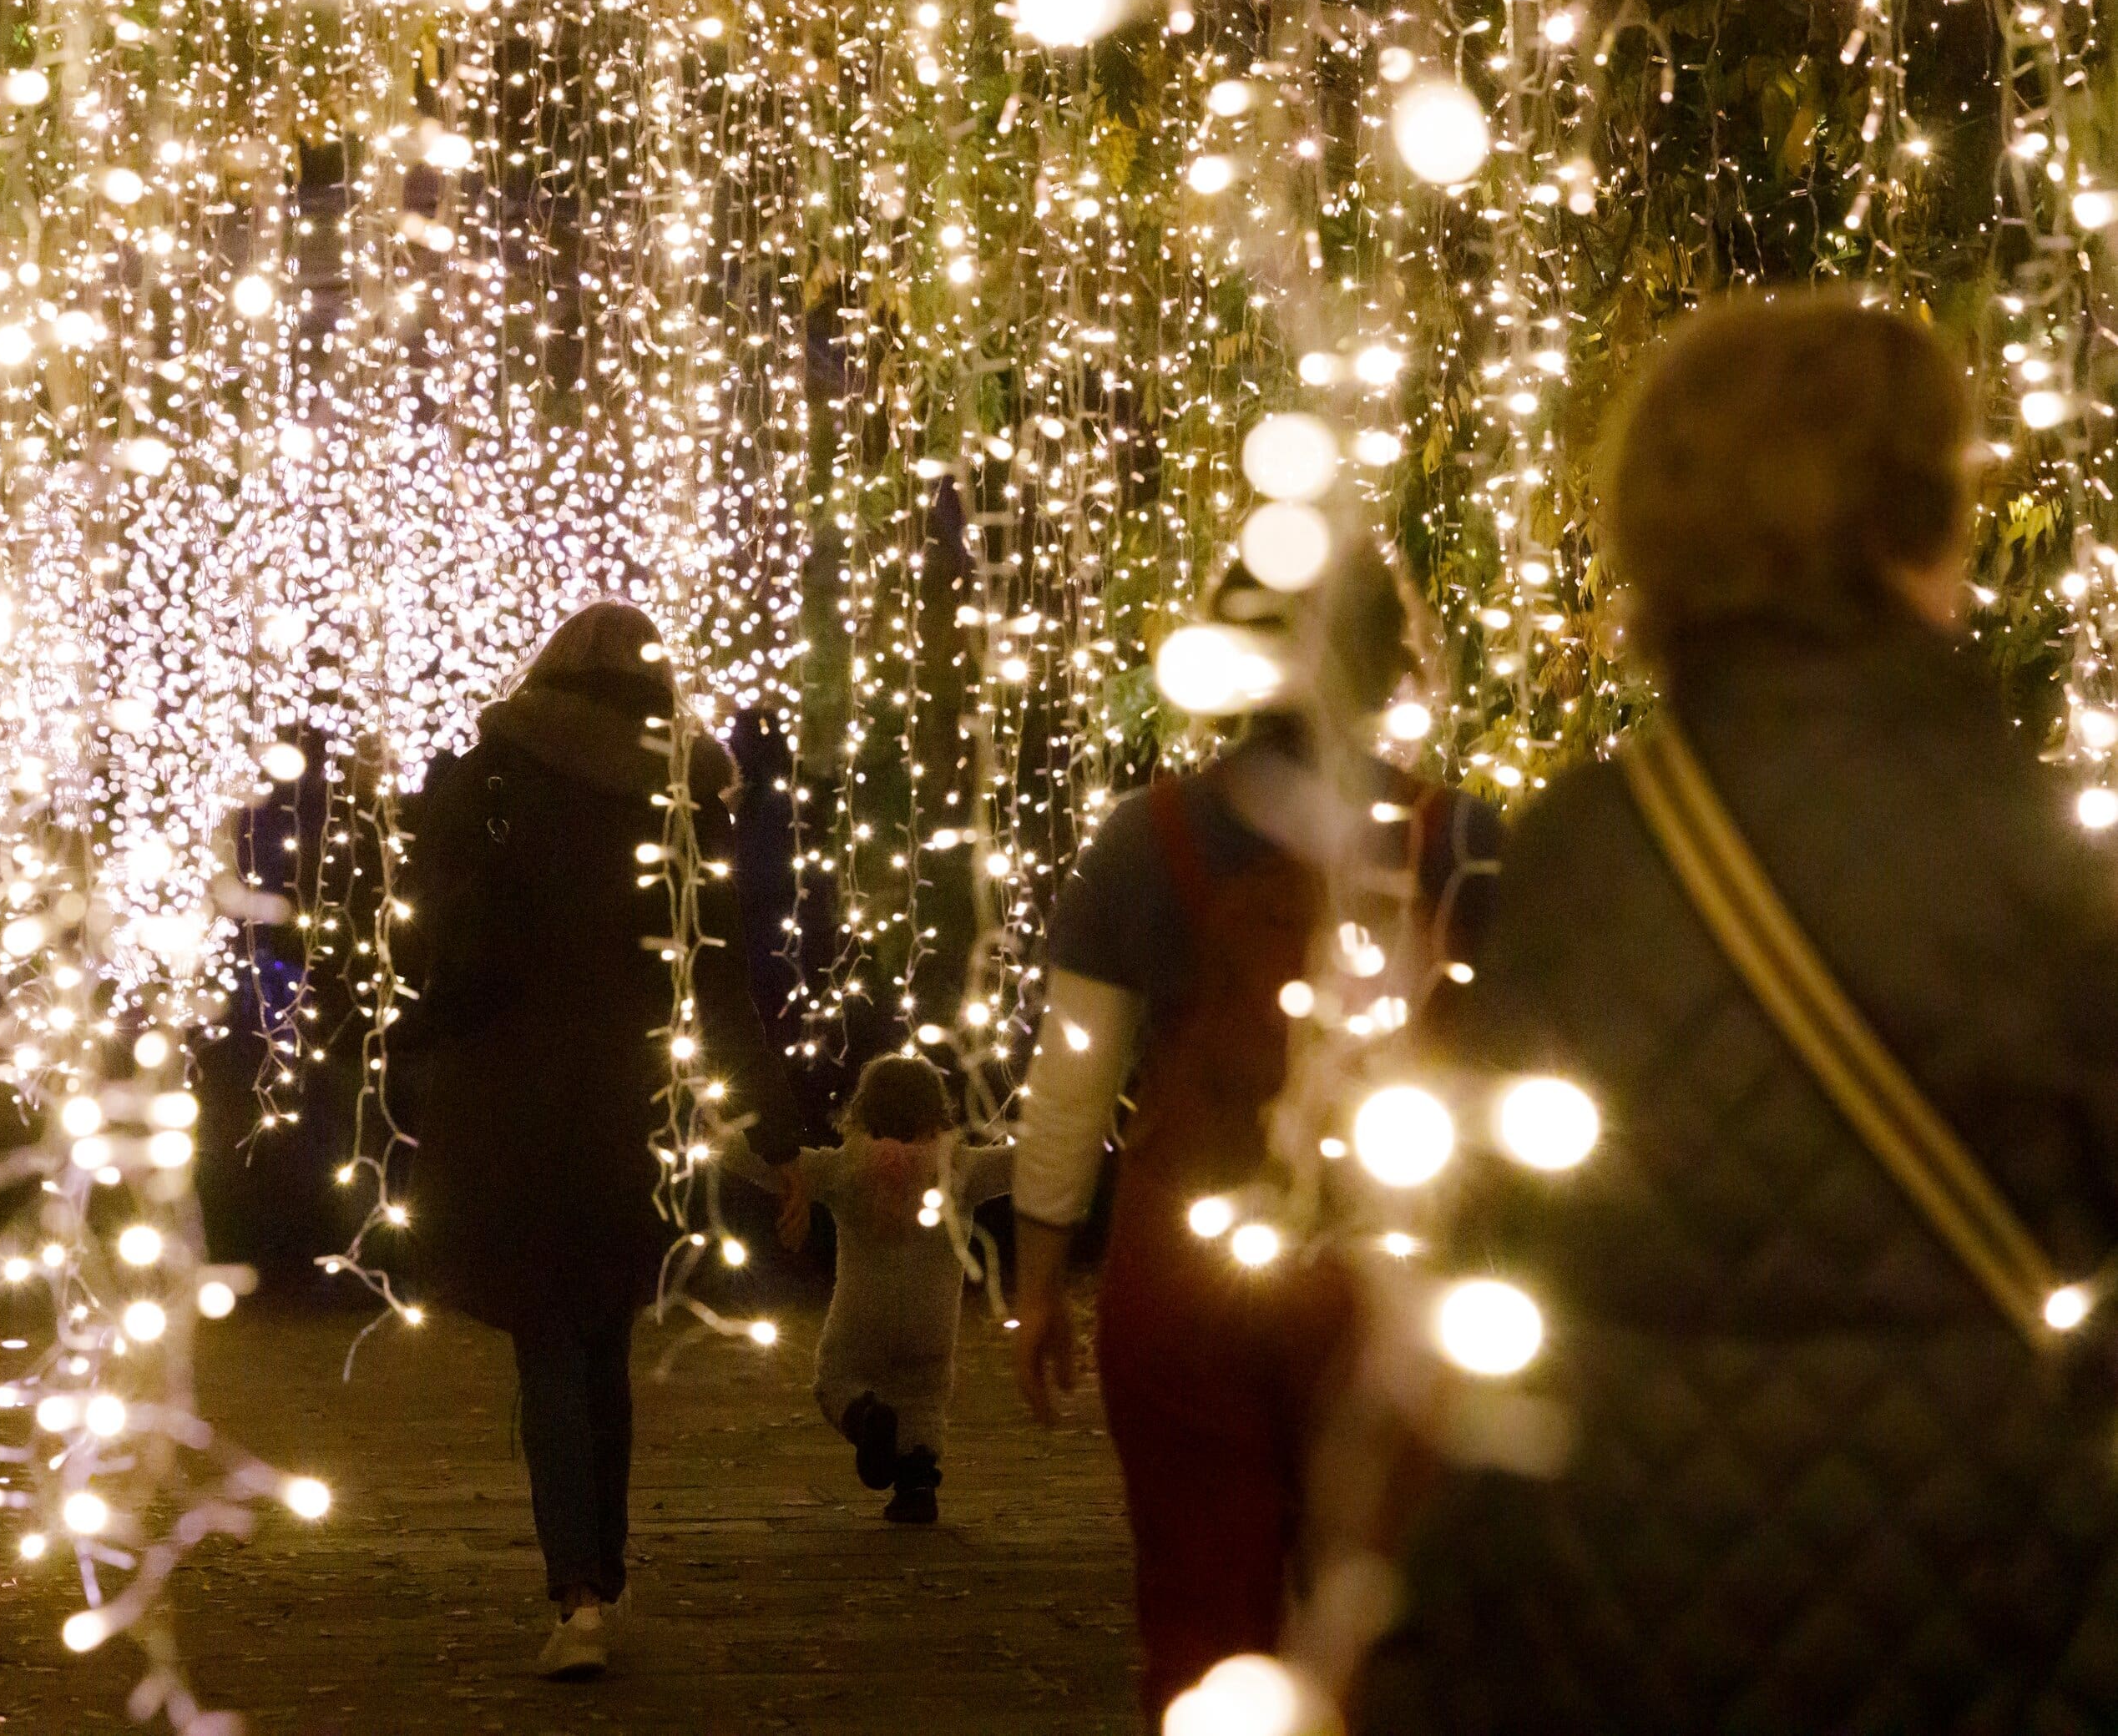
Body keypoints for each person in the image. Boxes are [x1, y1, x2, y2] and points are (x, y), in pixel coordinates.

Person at [1346, 291, 2118, 1733]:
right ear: (1912, 518)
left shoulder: (1589, 839)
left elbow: (1499, 1263)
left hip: (1613, 1597)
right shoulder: (2045, 850)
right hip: (1985, 1600)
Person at [1006, 541, 1499, 1719]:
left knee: (1201, 1619)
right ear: (1392, 661)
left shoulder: (1148, 836)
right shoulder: (1462, 836)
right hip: (1392, 1265)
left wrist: (1038, 1280)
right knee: (1384, 1612)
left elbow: (1072, 1078)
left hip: (1188, 1265)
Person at [393, 601, 808, 1683]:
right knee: (603, 1332)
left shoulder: (487, 780)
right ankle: (598, 1575)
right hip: (633, 1096)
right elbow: (718, 971)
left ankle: (577, 1585)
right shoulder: (682, 794)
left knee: (545, 1334)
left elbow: (437, 946)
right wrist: (775, 1124)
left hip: (512, 1091)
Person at [727, 1052, 1014, 1524]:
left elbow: (762, 1162)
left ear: (863, 1107)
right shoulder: (962, 1169)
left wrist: (718, 1135)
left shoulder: (844, 1168)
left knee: (834, 1378)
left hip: (860, 1319)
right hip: (933, 1323)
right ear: (937, 1109)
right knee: (924, 1398)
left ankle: (863, 1417)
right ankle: (916, 1485)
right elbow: (1021, 1164)